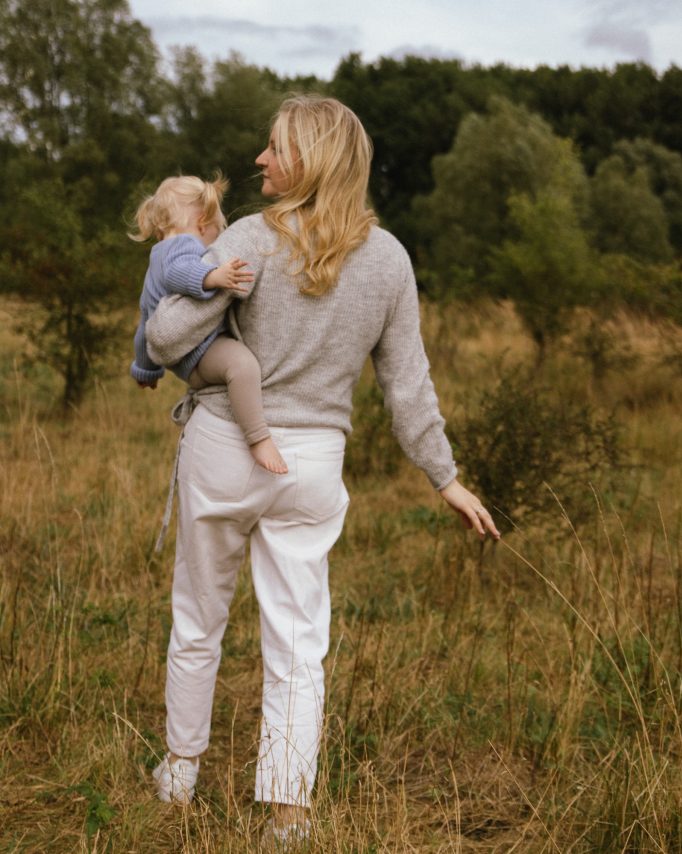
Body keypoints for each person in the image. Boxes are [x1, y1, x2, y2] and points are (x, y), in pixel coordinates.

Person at [144, 95, 500, 842]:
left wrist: (187, 299)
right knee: (299, 642)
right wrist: (445, 477)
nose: (260, 159)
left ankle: (179, 774)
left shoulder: (249, 236)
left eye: (274, 147)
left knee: (198, 619)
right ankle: (288, 812)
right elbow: (407, 384)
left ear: (308, 159)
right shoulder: (389, 258)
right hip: (311, 466)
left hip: (225, 444)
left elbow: (167, 336)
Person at [129, 174, 287, 474]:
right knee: (242, 366)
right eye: (219, 227)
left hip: (188, 365)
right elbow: (180, 271)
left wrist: (145, 370)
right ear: (203, 223)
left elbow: (144, 328)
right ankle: (258, 439)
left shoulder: (157, 257)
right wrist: (212, 276)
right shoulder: (182, 245)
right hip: (201, 352)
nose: (220, 237)